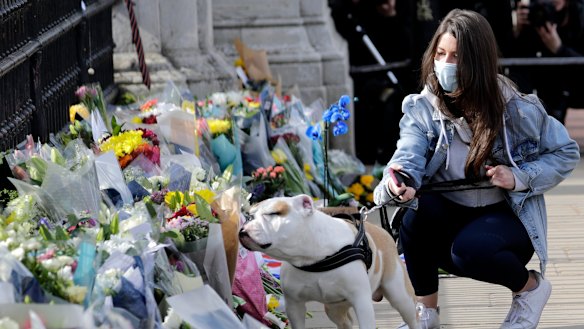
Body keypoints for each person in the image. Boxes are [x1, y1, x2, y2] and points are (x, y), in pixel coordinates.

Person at [373, 9, 580, 329]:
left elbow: (565, 152)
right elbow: (408, 154)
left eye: (456, 56)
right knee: (414, 214)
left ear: (478, 61)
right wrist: (399, 180)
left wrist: (520, 177)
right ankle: (426, 315)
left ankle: (530, 289)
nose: (445, 64)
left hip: (505, 218)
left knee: (470, 251)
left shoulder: (515, 106)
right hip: (449, 215)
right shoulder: (423, 106)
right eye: (440, 54)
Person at [329, 0, 416, 166]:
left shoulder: (401, 10)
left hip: (394, 74)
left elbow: (404, 45)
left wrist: (391, 16)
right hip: (365, 77)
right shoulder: (352, 12)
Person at [509, 0, 584, 123]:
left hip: (574, 84)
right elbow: (515, 62)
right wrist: (517, 31)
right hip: (542, 83)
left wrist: (560, 49)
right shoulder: (532, 13)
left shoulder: (579, 14)